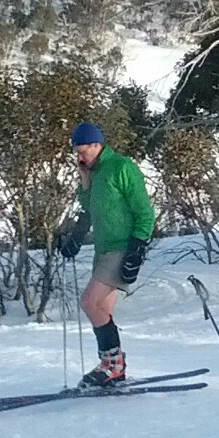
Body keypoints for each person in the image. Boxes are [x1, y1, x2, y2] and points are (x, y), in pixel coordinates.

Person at [56, 121, 156, 388]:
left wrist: (137, 248)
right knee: (102, 309)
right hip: (103, 249)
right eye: (76, 152)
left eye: (82, 151)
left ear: (96, 145)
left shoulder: (122, 167)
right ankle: (113, 367)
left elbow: (144, 211)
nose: (79, 157)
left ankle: (112, 365)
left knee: (90, 303)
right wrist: (75, 239)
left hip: (122, 247)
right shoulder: (96, 173)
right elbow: (89, 210)